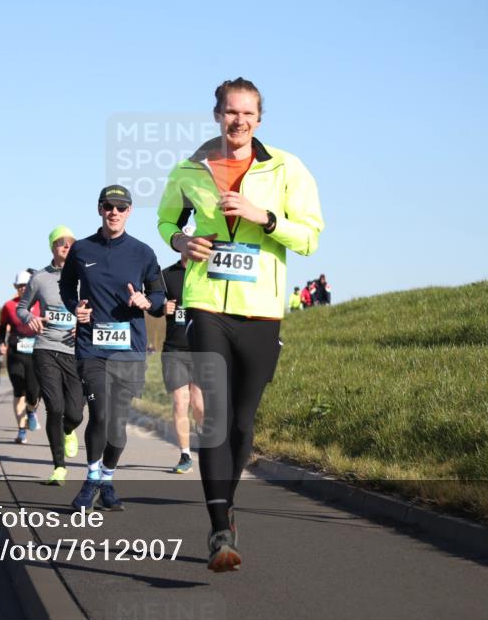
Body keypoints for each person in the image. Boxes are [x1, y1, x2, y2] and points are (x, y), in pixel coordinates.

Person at [157, 78, 324, 571]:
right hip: (206, 303)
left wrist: (265, 217)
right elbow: (167, 222)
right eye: (231, 112)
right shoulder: (190, 170)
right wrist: (181, 242)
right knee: (214, 416)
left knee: (241, 422)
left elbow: (310, 237)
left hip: (261, 309)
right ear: (217, 115)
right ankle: (219, 530)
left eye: (248, 113)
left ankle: (226, 510)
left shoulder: (286, 168)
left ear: (259, 119)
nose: (239, 121)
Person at [60, 185, 165, 511]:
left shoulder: (143, 253)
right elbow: (66, 286)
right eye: (108, 206)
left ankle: (106, 479)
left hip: (129, 349)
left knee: (117, 425)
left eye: (121, 207)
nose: (114, 212)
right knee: (100, 413)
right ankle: (91, 479)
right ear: (99, 209)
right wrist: (75, 307)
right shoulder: (82, 250)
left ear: (129, 211)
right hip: (92, 347)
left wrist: (146, 301)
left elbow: (159, 297)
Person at [17, 225, 85, 485]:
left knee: (75, 413)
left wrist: (85, 325)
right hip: (45, 347)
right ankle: (59, 467)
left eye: (70, 242)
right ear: (52, 247)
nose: (66, 246)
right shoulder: (40, 278)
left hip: (74, 351)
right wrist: (31, 318)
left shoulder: (84, 277)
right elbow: (22, 308)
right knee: (54, 407)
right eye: (61, 242)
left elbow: (97, 307)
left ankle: (69, 429)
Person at [160, 228, 204, 475]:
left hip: (201, 348)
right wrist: (161, 306)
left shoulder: (208, 272)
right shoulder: (167, 275)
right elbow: (154, 301)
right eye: (185, 241)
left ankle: (206, 445)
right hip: (174, 348)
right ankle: (185, 455)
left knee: (198, 404)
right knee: (180, 402)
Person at [0, 271, 41, 443]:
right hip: (15, 354)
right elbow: (3, 327)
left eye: (26, 285)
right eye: (20, 286)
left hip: (35, 354)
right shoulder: (9, 306)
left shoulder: (40, 303)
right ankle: (21, 430)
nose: (23, 288)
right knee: (18, 391)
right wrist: (2, 343)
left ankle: (31, 411)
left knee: (33, 393)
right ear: (16, 287)